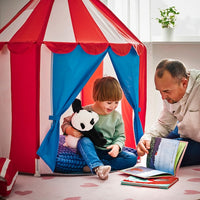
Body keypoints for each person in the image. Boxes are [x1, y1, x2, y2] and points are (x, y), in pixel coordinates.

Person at [61, 76, 137, 180]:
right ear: (97, 98)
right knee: (84, 140)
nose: (113, 106)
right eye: (109, 102)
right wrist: (69, 130)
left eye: (116, 102)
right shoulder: (85, 111)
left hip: (107, 151)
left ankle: (97, 165)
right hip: (89, 149)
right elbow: (66, 122)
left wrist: (117, 146)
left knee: (132, 158)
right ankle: (96, 165)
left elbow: (120, 136)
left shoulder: (117, 116)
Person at [137, 59, 200, 166]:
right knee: (153, 149)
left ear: (184, 83)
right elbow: (164, 124)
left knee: (165, 156)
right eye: (160, 91)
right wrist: (146, 138)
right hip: (184, 129)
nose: (163, 97)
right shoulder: (168, 95)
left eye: (166, 91)